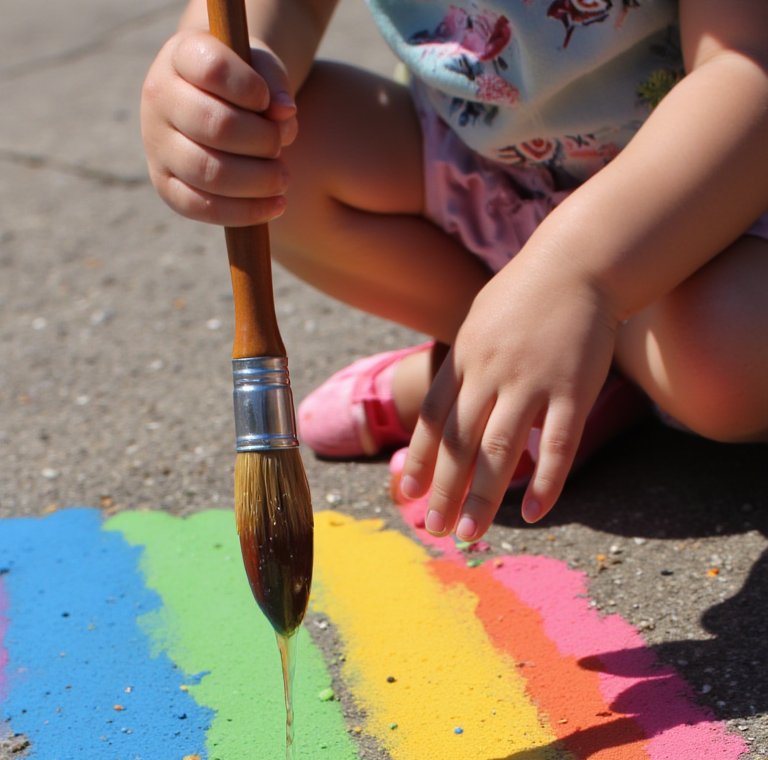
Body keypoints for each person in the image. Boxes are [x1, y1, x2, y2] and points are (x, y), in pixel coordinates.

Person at [141, 1, 768, 539]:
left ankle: (535, 366)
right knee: (275, 166)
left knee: (730, 357)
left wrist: (581, 275)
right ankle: (516, 366)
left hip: (699, 203)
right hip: (486, 175)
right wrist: (214, 97)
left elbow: (746, 63)